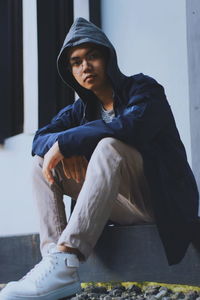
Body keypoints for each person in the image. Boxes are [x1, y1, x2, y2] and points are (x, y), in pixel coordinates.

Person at [0, 17, 199, 300]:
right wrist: (62, 147)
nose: (85, 66)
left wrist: (69, 141)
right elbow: (39, 140)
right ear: (70, 71)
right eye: (76, 61)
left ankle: (68, 255)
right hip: (119, 206)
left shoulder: (143, 89)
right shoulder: (79, 110)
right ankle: (56, 264)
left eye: (92, 56)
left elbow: (132, 126)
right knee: (41, 164)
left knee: (109, 147)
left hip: (160, 200)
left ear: (108, 58)